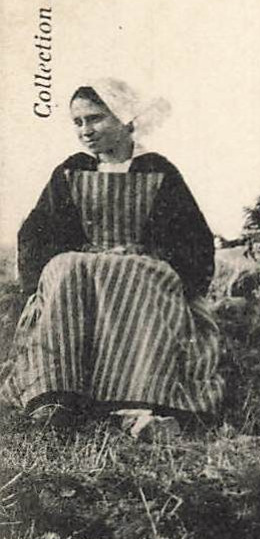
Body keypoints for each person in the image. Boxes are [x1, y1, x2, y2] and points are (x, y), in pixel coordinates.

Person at [4, 79, 224, 438]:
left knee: (137, 273)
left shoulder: (158, 171)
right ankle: (57, 397)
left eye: (95, 119)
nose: (85, 131)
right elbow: (37, 234)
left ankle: (139, 401)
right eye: (77, 123)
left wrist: (151, 254)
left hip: (143, 269)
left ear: (124, 117)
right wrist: (44, 277)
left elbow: (192, 238)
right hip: (83, 274)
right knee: (65, 267)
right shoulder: (70, 171)